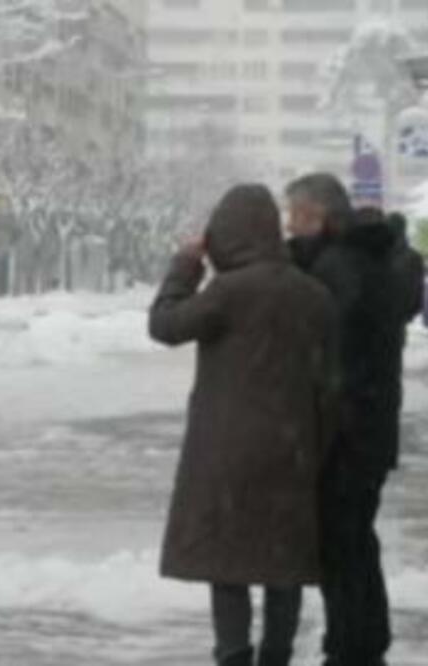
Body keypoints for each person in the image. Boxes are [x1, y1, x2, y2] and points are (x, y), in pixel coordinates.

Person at [149, 184, 337, 666]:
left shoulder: (229, 292)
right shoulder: (312, 293)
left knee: (227, 563)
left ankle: (233, 655)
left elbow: (166, 325)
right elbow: (329, 378)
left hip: (228, 451)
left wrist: (185, 267)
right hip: (292, 449)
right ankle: (277, 655)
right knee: (283, 565)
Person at [285, 173, 421, 666]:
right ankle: (363, 642)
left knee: (341, 544)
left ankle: (350, 648)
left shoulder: (342, 267)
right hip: (371, 428)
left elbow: (327, 349)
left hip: (349, 431)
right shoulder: (369, 257)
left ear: (319, 217)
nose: (289, 227)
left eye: (295, 217)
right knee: (356, 539)